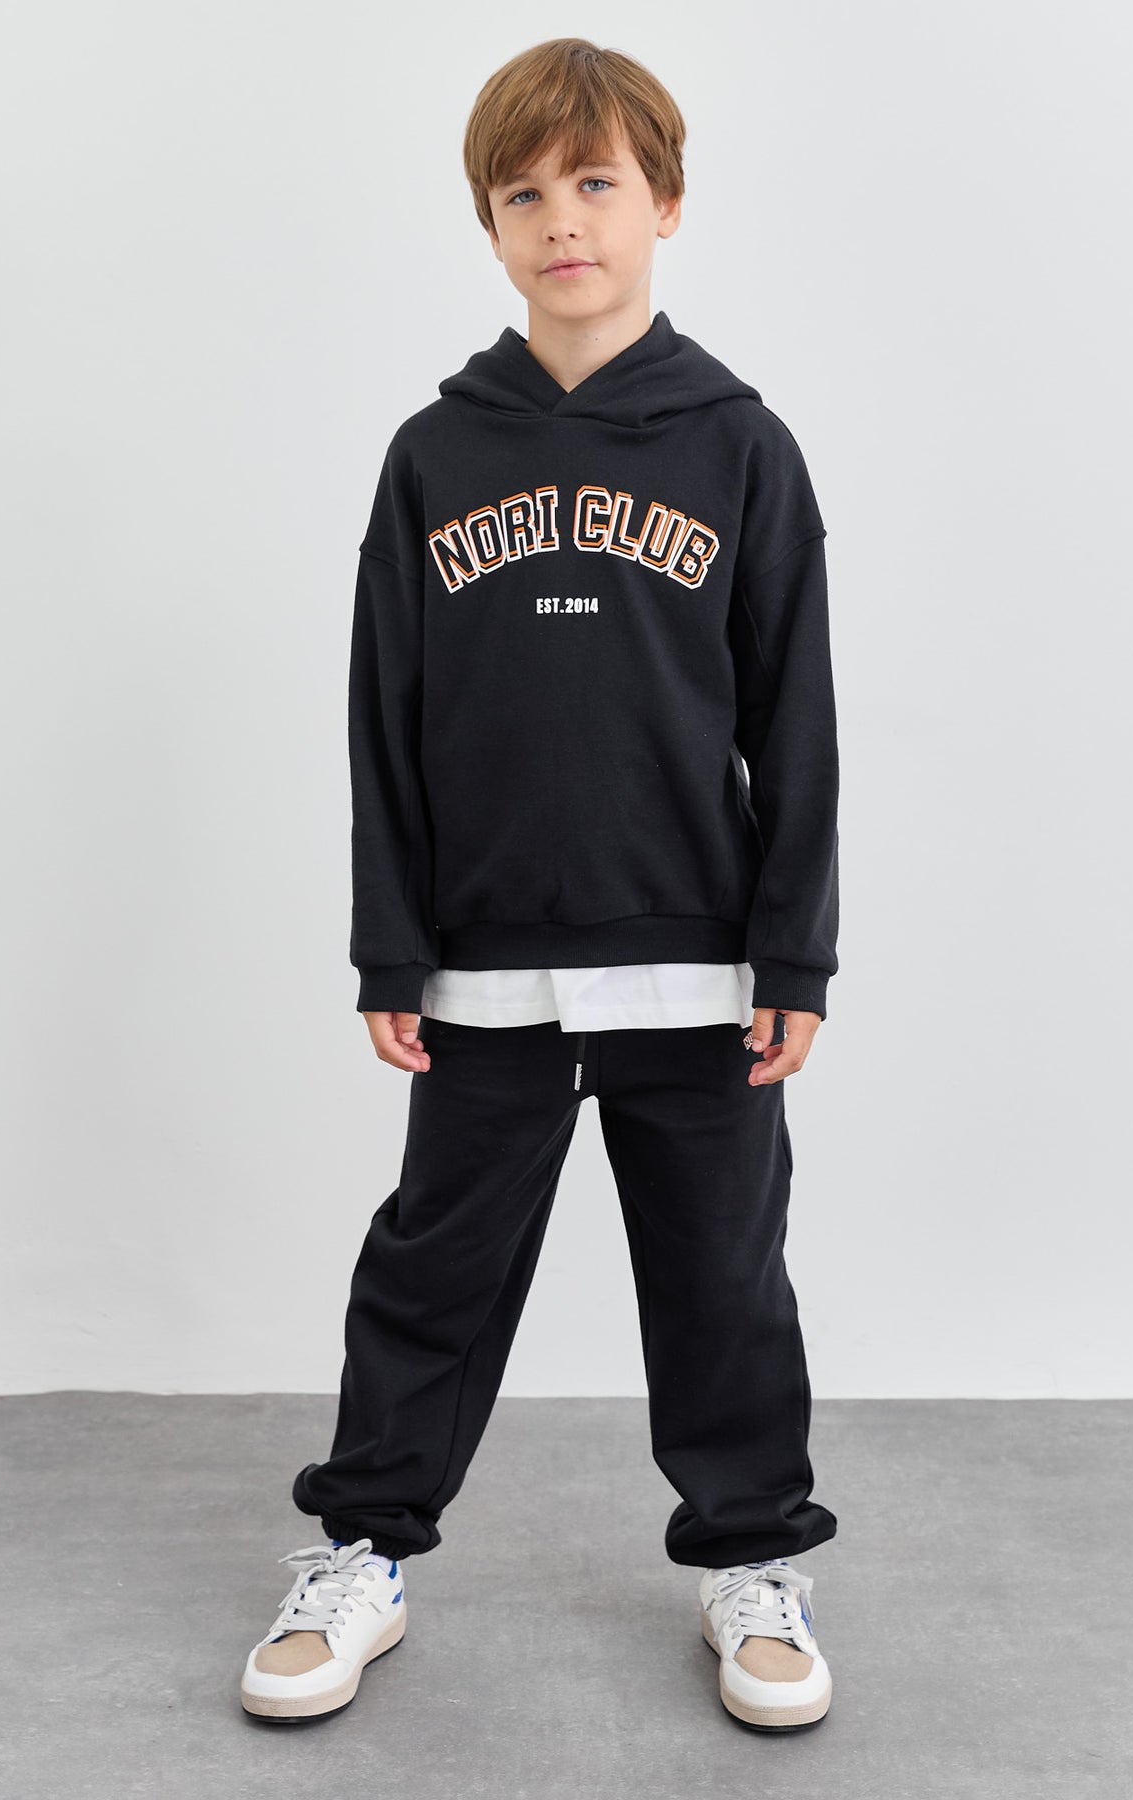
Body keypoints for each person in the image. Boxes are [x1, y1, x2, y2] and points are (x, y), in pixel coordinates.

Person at [240, 35, 841, 1734]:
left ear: (665, 204)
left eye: (595, 182)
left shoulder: (741, 447)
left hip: (696, 968)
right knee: (429, 1273)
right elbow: (382, 716)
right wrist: (391, 948)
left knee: (723, 1280)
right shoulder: (435, 455)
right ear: (490, 226)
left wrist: (795, 953)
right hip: (485, 969)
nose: (562, 219)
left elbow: (795, 716)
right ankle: (363, 1553)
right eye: (524, 193)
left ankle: (752, 1559)